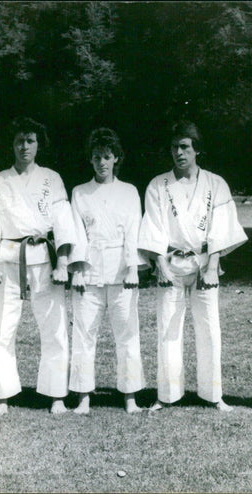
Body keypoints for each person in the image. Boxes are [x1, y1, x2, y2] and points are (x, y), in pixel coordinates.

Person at [138, 120, 247, 412]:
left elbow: (221, 228)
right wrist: (159, 263)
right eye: (174, 147)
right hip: (171, 264)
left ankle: (213, 395)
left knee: (209, 329)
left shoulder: (215, 183)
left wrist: (212, 265)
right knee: (168, 329)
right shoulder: (158, 185)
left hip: (203, 264)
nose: (179, 152)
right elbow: (154, 226)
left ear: (196, 149)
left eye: (185, 147)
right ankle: (167, 394)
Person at [0, 117, 77, 415]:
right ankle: (1, 395)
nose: (25, 146)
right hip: (9, 258)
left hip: (44, 259)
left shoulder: (52, 178)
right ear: (13, 144)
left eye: (30, 140)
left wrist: (62, 262)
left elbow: (62, 221)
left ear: (38, 144)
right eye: (20, 140)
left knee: (55, 327)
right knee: (1, 327)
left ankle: (56, 394)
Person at [68, 128, 146, 415]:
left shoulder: (129, 192)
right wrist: (76, 269)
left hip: (121, 272)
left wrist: (132, 269)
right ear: (90, 160)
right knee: (85, 334)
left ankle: (130, 396)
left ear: (117, 159)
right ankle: (83, 396)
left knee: (127, 333)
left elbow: (133, 231)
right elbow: (77, 234)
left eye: (107, 157)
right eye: (97, 157)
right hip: (88, 272)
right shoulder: (80, 193)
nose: (102, 162)